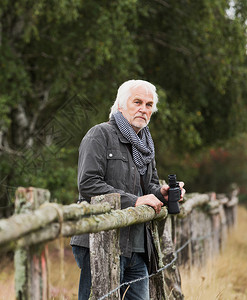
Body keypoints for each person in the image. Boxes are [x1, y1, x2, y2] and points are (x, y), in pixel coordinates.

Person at [70, 80, 185, 300]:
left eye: (149, 104)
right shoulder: (99, 134)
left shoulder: (146, 144)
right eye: (138, 102)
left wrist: (162, 193)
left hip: (138, 246)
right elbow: (88, 184)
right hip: (100, 241)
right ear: (121, 106)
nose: (144, 109)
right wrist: (135, 201)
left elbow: (148, 186)